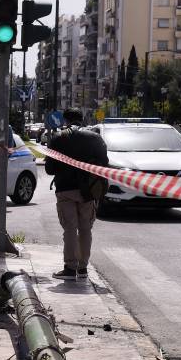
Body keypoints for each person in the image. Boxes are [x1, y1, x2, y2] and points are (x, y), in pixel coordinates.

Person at [45, 108, 108, 280]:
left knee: (70, 229)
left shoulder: (58, 138)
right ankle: (83, 268)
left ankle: (70, 268)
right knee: (86, 228)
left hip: (65, 189)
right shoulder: (95, 138)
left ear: (65, 120)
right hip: (88, 190)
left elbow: (49, 169)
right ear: (82, 119)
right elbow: (104, 164)